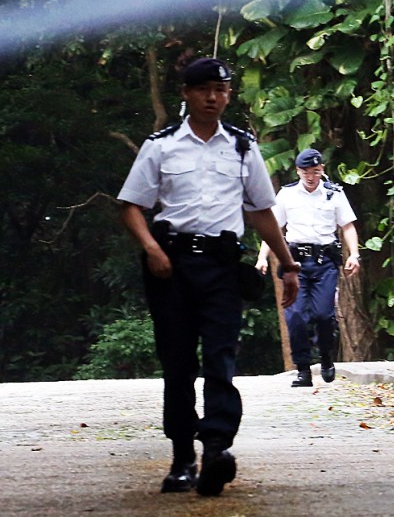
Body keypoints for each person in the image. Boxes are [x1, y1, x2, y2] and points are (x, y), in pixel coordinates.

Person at [118, 57, 301, 496]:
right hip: (171, 267)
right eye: (203, 90)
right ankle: (182, 458)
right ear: (187, 93)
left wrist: (288, 264)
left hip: (221, 266)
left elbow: (260, 211)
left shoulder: (241, 146)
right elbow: (131, 207)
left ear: (229, 95)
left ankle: (216, 449)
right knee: (178, 363)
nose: (212, 98)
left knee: (222, 358)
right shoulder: (160, 145)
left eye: (220, 90)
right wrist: (152, 249)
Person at [255, 148, 361, 387]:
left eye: (315, 171)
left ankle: (325, 357)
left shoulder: (334, 194)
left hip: (325, 263)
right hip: (295, 265)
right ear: (298, 171)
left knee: (324, 315)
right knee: (295, 317)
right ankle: (302, 369)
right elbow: (274, 230)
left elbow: (348, 227)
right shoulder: (287, 195)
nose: (310, 176)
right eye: (305, 171)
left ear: (321, 169)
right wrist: (263, 257)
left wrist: (354, 254)